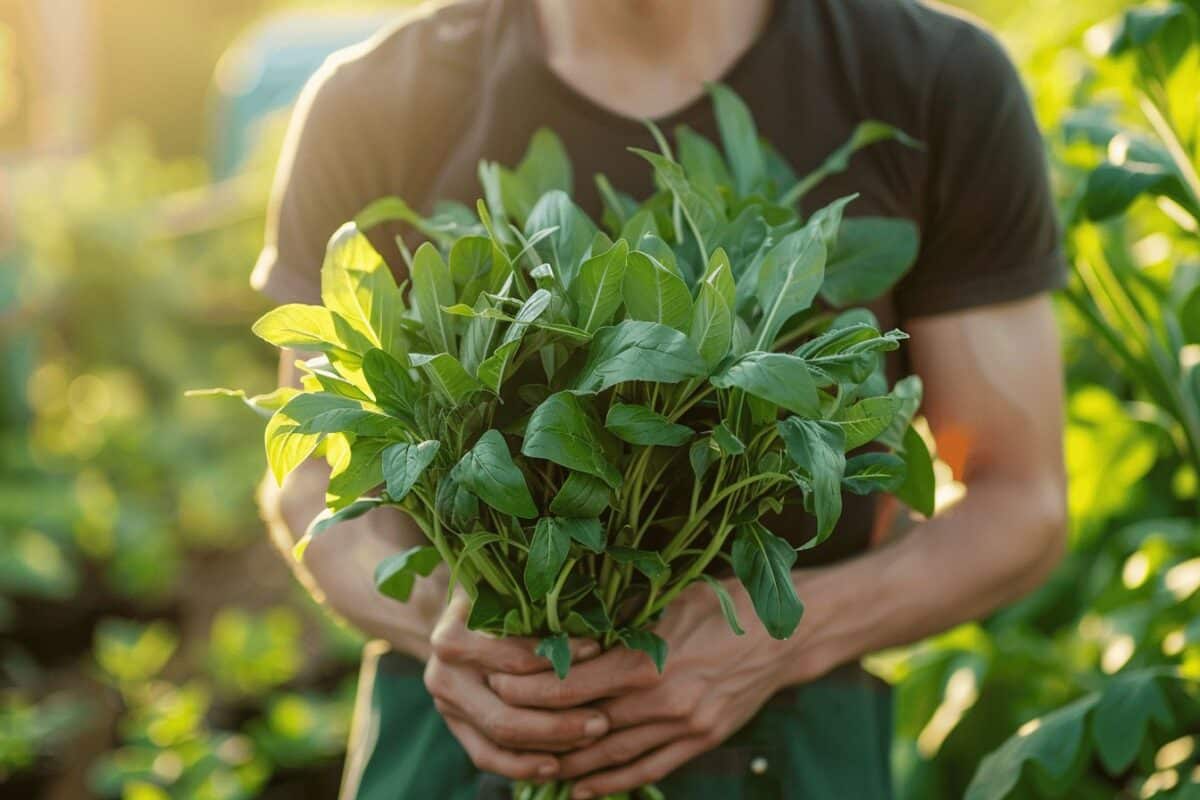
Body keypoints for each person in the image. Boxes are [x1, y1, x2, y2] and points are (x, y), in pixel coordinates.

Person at [253, 0, 1069, 797]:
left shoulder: (934, 79)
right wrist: (456, 630)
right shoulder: (376, 98)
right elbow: (314, 479)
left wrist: (781, 635)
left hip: (782, 745)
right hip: (457, 737)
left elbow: (1017, 497)